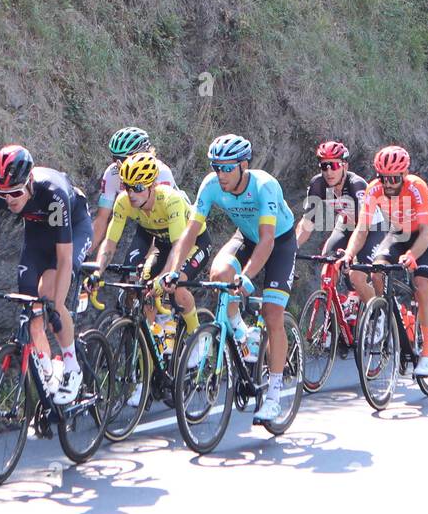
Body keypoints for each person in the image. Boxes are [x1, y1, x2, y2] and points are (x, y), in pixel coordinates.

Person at [166, 134, 297, 421]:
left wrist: (248, 276)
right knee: (220, 273)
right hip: (246, 237)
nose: (221, 174)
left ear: (243, 165)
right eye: (216, 167)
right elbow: (189, 232)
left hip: (278, 242)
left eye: (227, 168)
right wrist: (174, 270)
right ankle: (242, 333)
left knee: (273, 314)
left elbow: (267, 241)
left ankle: (274, 394)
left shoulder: (264, 186)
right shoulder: (211, 185)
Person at [0, 145, 92, 403]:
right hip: (37, 234)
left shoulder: (52, 193)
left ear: (29, 182)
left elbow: (63, 257)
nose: (9, 200)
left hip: (73, 230)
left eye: (15, 192)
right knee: (29, 307)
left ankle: (72, 367)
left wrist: (57, 307)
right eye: (2, 193)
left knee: (48, 300)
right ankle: (48, 376)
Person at [90, 151, 210, 392]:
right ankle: (147, 377)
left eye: (138, 187)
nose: (131, 193)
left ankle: (197, 337)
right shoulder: (124, 201)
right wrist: (96, 272)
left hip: (193, 243)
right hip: (163, 244)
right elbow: (110, 243)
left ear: (153, 185)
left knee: (176, 285)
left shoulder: (171, 201)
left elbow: (178, 249)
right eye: (127, 187)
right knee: (144, 293)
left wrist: (165, 278)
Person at [341, 145, 428, 378]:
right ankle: (387, 314)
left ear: (404, 174)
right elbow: (362, 229)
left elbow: (426, 231)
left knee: (422, 285)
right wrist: (348, 253)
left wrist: (412, 255)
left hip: (423, 235)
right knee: (376, 271)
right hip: (398, 233)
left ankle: (427, 353)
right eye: (383, 178)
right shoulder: (374, 190)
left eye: (394, 178)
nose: (388, 183)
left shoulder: (417, 187)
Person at [296, 140, 373, 304]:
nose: (329, 171)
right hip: (345, 226)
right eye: (324, 166)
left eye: (334, 165)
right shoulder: (318, 184)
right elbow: (307, 222)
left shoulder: (356, 185)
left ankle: (378, 315)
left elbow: (362, 227)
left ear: (345, 166)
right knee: (327, 272)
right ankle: (334, 321)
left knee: (357, 278)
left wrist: (351, 254)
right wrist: (292, 247)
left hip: (371, 229)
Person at [91, 127, 178, 257]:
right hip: (147, 225)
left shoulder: (161, 173)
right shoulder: (111, 173)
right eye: (115, 159)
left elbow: (166, 219)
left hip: (173, 226)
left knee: (149, 270)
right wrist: (84, 253)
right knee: (129, 273)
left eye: (124, 160)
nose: (119, 166)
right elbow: (101, 219)